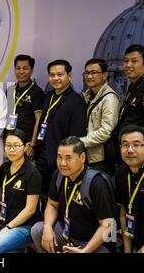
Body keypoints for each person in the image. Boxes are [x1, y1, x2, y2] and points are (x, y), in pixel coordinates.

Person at [31, 136, 116, 253]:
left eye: (68, 158)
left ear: (82, 157)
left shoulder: (97, 183)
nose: (62, 163)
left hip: (93, 243)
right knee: (38, 230)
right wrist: (47, 227)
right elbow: (52, 204)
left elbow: (108, 225)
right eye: (59, 157)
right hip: (67, 235)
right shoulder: (59, 175)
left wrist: (85, 250)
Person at [0, 129, 42, 253]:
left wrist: (9, 227)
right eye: (8, 145)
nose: (11, 149)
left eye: (16, 146)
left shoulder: (32, 173)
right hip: (3, 222)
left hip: (24, 226)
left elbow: (30, 210)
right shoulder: (4, 168)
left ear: (25, 147)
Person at [35, 59, 86, 196]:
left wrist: (65, 158)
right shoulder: (48, 97)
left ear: (69, 75)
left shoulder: (76, 102)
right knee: (42, 194)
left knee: (57, 196)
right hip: (42, 155)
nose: (55, 78)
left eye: (60, 74)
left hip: (60, 160)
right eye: (52, 75)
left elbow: (76, 136)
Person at [115, 125, 144, 253]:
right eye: (125, 145)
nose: (130, 150)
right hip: (137, 244)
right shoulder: (121, 173)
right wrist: (127, 249)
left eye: (136, 144)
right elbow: (123, 212)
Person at [115, 45, 144, 160]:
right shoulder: (133, 87)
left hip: (140, 156)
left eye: (134, 61)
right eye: (126, 61)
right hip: (129, 153)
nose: (128, 65)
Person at [80, 58, 119, 174]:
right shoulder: (87, 95)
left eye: (94, 73)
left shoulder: (110, 98)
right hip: (87, 154)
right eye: (87, 73)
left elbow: (106, 131)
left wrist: (81, 142)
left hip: (99, 158)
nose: (89, 76)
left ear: (104, 75)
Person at [6, 55, 44, 160]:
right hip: (10, 141)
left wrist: (32, 144)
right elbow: (7, 116)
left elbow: (38, 120)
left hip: (26, 144)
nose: (21, 72)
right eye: (18, 68)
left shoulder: (37, 92)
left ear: (31, 70)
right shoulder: (10, 90)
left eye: (25, 68)